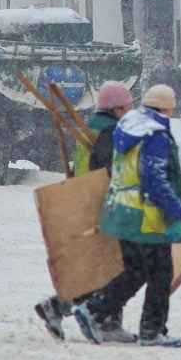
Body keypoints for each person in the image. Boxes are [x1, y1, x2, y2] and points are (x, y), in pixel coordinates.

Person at [74, 84, 181, 348]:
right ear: (166, 107)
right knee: (161, 273)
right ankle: (152, 331)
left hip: (122, 210)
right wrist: (178, 212)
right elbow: (155, 179)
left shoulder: (127, 127)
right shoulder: (154, 134)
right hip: (146, 216)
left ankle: (93, 310)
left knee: (135, 270)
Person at [34, 82, 136, 343]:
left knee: (97, 267)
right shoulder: (111, 132)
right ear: (117, 108)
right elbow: (112, 169)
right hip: (104, 202)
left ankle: (57, 307)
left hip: (86, 200)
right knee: (115, 266)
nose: (131, 110)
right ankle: (106, 322)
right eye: (128, 106)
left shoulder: (93, 127)